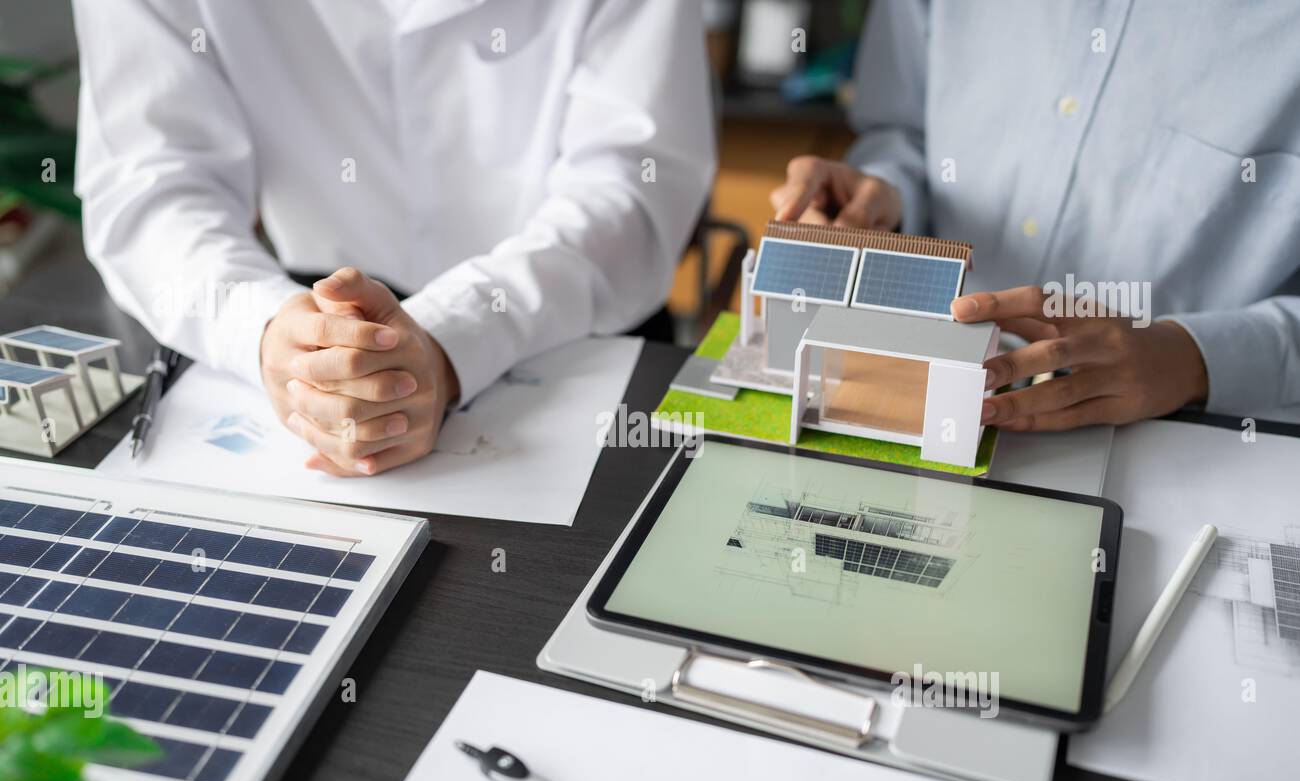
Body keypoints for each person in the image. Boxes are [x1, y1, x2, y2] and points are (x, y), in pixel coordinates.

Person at [72, 0, 714, 474]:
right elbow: (151, 181)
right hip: (316, 332)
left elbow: (630, 182)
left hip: (578, 328)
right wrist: (267, 332)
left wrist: (452, 336)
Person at [770, 0, 1300, 431]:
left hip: (1190, 433)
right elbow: (901, 132)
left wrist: (1191, 360)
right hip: (935, 381)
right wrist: (884, 191)